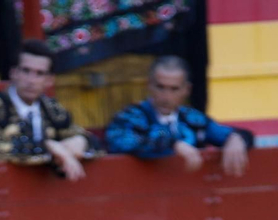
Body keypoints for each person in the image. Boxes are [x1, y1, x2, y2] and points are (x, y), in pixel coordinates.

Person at [0, 40, 92, 181]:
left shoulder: (52, 109)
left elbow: (91, 141)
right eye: (26, 71)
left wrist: (80, 141)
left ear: (49, 80)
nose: (31, 80)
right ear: (13, 73)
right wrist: (48, 147)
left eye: (39, 74)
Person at [106, 56, 251, 177]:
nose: (166, 97)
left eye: (174, 89)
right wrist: (173, 143)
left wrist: (237, 138)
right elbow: (122, 142)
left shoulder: (193, 120)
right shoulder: (130, 117)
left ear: (186, 90)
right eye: (160, 87)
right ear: (149, 85)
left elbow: (231, 133)